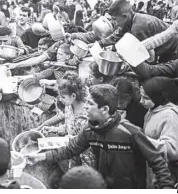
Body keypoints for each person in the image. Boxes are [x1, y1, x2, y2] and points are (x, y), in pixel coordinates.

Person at [26, 84, 175, 189]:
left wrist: (167, 187)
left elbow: (157, 160)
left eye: (90, 104)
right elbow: (70, 150)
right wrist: (40, 157)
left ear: (104, 109)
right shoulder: (89, 130)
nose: (85, 106)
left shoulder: (130, 132)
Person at [42, 73, 95, 169]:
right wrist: (52, 129)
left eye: (63, 97)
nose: (61, 100)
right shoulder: (68, 107)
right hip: (73, 156)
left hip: (88, 159)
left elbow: (88, 140)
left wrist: (68, 139)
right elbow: (68, 127)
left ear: (73, 95)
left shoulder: (88, 113)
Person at [106, 0, 178, 63]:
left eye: (114, 19)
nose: (113, 22)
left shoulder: (138, 29)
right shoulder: (132, 18)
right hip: (166, 46)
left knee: (163, 73)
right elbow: (118, 34)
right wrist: (101, 43)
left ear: (125, 16)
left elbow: (148, 57)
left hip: (173, 48)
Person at [140, 77, 178, 185]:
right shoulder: (152, 110)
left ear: (159, 97)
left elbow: (172, 149)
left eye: (145, 98)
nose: (141, 101)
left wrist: (142, 139)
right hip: (153, 172)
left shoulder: (170, 116)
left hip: (166, 176)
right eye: (141, 96)